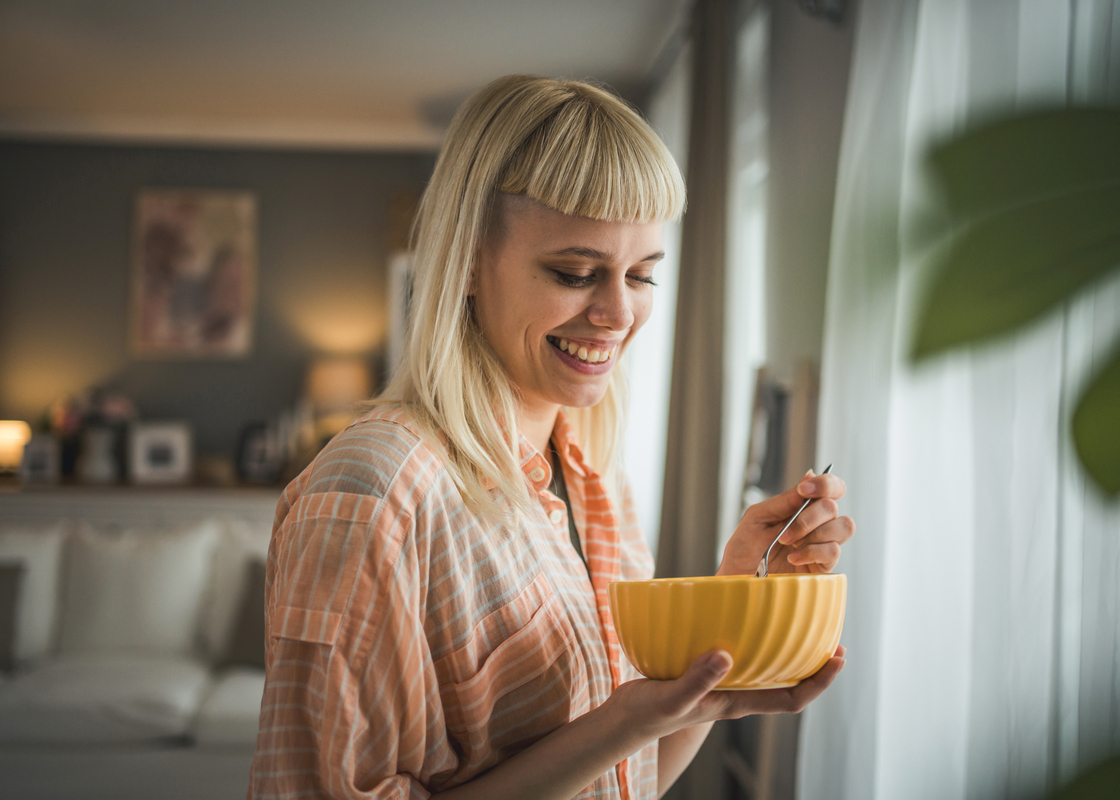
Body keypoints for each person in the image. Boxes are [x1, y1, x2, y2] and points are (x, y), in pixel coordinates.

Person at [248, 74, 853, 800]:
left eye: (643, 277)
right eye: (575, 272)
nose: (619, 313)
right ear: (468, 261)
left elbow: (623, 781)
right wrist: (620, 725)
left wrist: (737, 619)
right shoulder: (374, 494)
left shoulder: (593, 472)